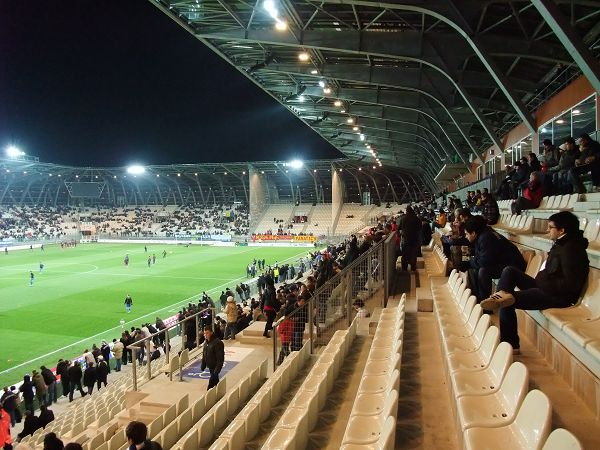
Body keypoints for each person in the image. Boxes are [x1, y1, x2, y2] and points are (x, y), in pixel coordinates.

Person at [481, 211, 589, 353]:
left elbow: (570, 285)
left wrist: (543, 284)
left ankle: (510, 345)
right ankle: (501, 294)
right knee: (509, 271)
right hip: (544, 286)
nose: (547, 230)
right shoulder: (562, 244)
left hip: (556, 296)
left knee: (507, 301)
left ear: (562, 230)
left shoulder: (571, 250)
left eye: (550, 227)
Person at [463, 216, 526, 304]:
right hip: (505, 263)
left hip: (514, 267)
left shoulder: (486, 237)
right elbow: (484, 254)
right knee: (476, 268)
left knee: (483, 271)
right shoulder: (484, 234)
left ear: (473, 233)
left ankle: (484, 303)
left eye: (466, 234)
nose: (466, 236)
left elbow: (484, 262)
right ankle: (477, 298)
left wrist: (470, 260)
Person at [400, 206, 422, 271]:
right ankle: (413, 267)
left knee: (404, 254)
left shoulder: (403, 219)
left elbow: (398, 228)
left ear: (406, 211)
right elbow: (420, 229)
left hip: (405, 240)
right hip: (415, 239)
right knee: (413, 254)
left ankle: (404, 268)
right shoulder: (417, 218)